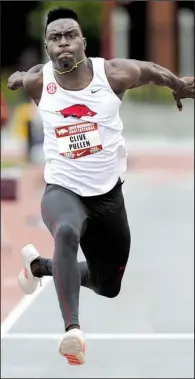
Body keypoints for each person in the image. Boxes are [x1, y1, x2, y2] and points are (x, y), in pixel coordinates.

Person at [8, 7, 194, 366]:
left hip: (108, 196)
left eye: (70, 35)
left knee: (107, 285)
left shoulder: (111, 74)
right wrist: (18, 77)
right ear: (48, 46)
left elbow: (151, 71)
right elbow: (27, 74)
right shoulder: (38, 82)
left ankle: (40, 268)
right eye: (55, 37)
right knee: (66, 231)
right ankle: (72, 332)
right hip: (63, 190)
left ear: (83, 42)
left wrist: (179, 86)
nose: (63, 41)